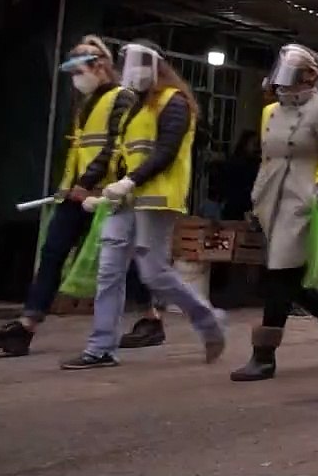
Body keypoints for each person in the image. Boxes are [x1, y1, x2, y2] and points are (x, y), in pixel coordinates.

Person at [0, 37, 168, 356]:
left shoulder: (123, 98)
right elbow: (80, 149)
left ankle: (151, 318)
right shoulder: (86, 104)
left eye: (80, 70)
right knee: (52, 255)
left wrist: (89, 181)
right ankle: (25, 327)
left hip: (106, 194)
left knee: (121, 262)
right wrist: (71, 186)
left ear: (100, 66)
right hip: (75, 194)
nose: (76, 78)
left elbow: (113, 146)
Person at [61, 40, 227, 369]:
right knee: (109, 271)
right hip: (125, 199)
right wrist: (102, 189)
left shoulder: (174, 102)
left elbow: (165, 151)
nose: (132, 72)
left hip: (156, 199)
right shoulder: (132, 107)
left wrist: (129, 181)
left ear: (156, 66)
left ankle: (208, 320)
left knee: (154, 273)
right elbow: (117, 153)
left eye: (138, 63)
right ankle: (101, 347)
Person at [230, 45, 318, 381]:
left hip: (303, 201)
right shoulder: (270, 112)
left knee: (278, 275)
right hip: (269, 198)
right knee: (290, 279)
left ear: (310, 75)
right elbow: (267, 157)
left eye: (294, 72)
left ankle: (264, 355)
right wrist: (256, 195)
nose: (284, 80)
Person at [220, 131, 261, 220]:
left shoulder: (254, 162)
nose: (256, 147)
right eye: (254, 144)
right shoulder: (238, 163)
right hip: (237, 206)